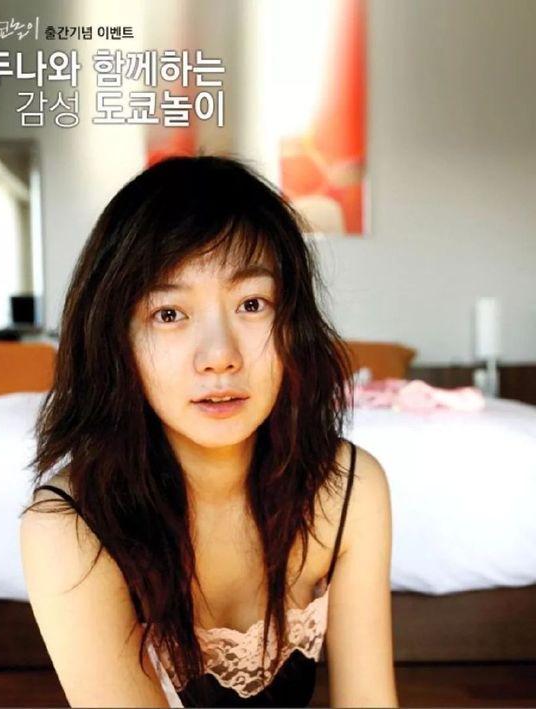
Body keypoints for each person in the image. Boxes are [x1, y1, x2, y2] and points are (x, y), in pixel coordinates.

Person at [20, 155, 398, 708]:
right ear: (116, 340)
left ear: (293, 325)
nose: (220, 356)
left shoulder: (348, 488)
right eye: (169, 314)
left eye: (252, 304)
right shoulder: (69, 528)